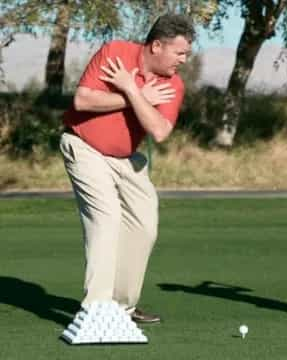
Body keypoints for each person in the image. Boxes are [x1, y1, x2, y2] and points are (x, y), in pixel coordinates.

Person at [60, 14, 195, 323]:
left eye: (186, 53)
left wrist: (134, 93)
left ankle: (122, 308)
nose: (184, 60)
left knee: (144, 226)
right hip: (84, 147)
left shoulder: (173, 84)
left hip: (127, 160)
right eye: (180, 52)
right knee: (106, 220)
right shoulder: (115, 52)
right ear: (157, 45)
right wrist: (133, 95)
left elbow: (159, 131)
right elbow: (83, 100)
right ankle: (96, 309)